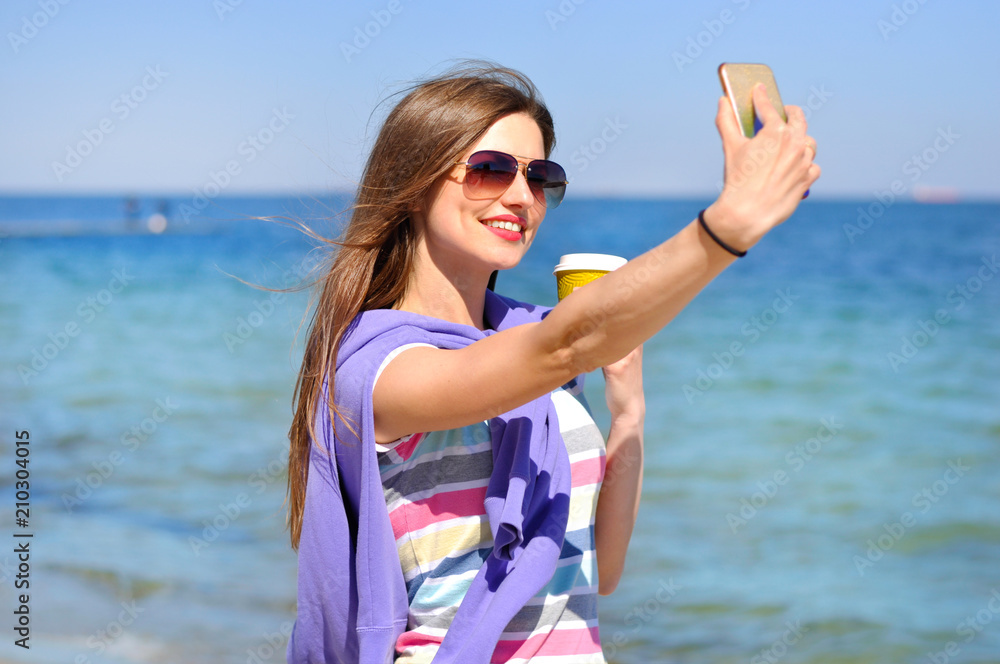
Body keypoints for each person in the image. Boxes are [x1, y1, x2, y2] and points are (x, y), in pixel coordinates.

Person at [284, 62, 819, 664]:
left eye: (539, 177)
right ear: (414, 182)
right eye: (490, 169)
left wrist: (629, 415)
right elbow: (564, 343)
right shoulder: (381, 367)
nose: (521, 197)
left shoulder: (526, 347)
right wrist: (729, 225)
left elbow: (600, 569)